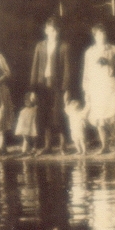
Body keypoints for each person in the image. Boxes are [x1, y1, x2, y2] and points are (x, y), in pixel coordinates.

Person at [81, 24, 115, 153]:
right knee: (98, 118)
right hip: (95, 87)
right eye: (99, 33)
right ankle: (105, 146)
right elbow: (86, 73)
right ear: (95, 36)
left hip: (109, 86)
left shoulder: (113, 49)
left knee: (112, 116)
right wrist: (86, 90)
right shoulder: (89, 52)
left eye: (103, 33)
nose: (101, 36)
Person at [29, 16, 73, 154]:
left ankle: (63, 145)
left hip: (58, 85)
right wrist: (33, 90)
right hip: (42, 85)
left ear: (58, 31)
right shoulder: (40, 46)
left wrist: (66, 89)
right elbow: (35, 68)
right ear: (46, 31)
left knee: (59, 114)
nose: (53, 33)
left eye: (55, 30)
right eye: (50, 30)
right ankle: (48, 146)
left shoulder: (64, 46)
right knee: (45, 114)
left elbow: (67, 69)